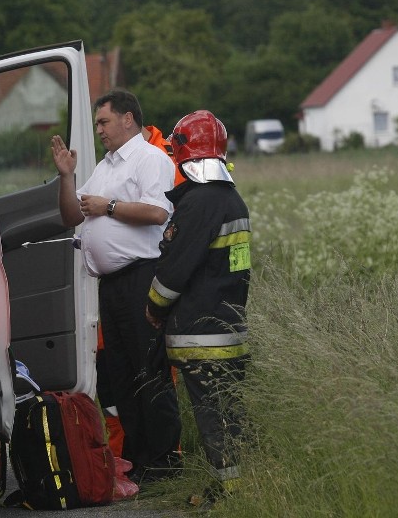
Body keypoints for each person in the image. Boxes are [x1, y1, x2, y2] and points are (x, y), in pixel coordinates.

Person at [51, 89, 182, 483]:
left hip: (142, 277)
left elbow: (158, 210)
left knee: (150, 370)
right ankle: (138, 460)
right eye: (97, 124)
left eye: (104, 122)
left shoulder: (149, 158)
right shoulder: (106, 166)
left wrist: (108, 207)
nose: (99, 130)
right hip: (112, 285)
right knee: (123, 373)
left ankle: (164, 460)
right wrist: (67, 176)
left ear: (128, 119)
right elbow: (71, 215)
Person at [145, 109, 252, 509]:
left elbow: (175, 269)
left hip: (199, 333)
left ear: (183, 154)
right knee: (231, 412)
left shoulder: (198, 203)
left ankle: (230, 496)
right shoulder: (232, 200)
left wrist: (154, 307)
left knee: (211, 416)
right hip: (231, 326)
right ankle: (238, 487)